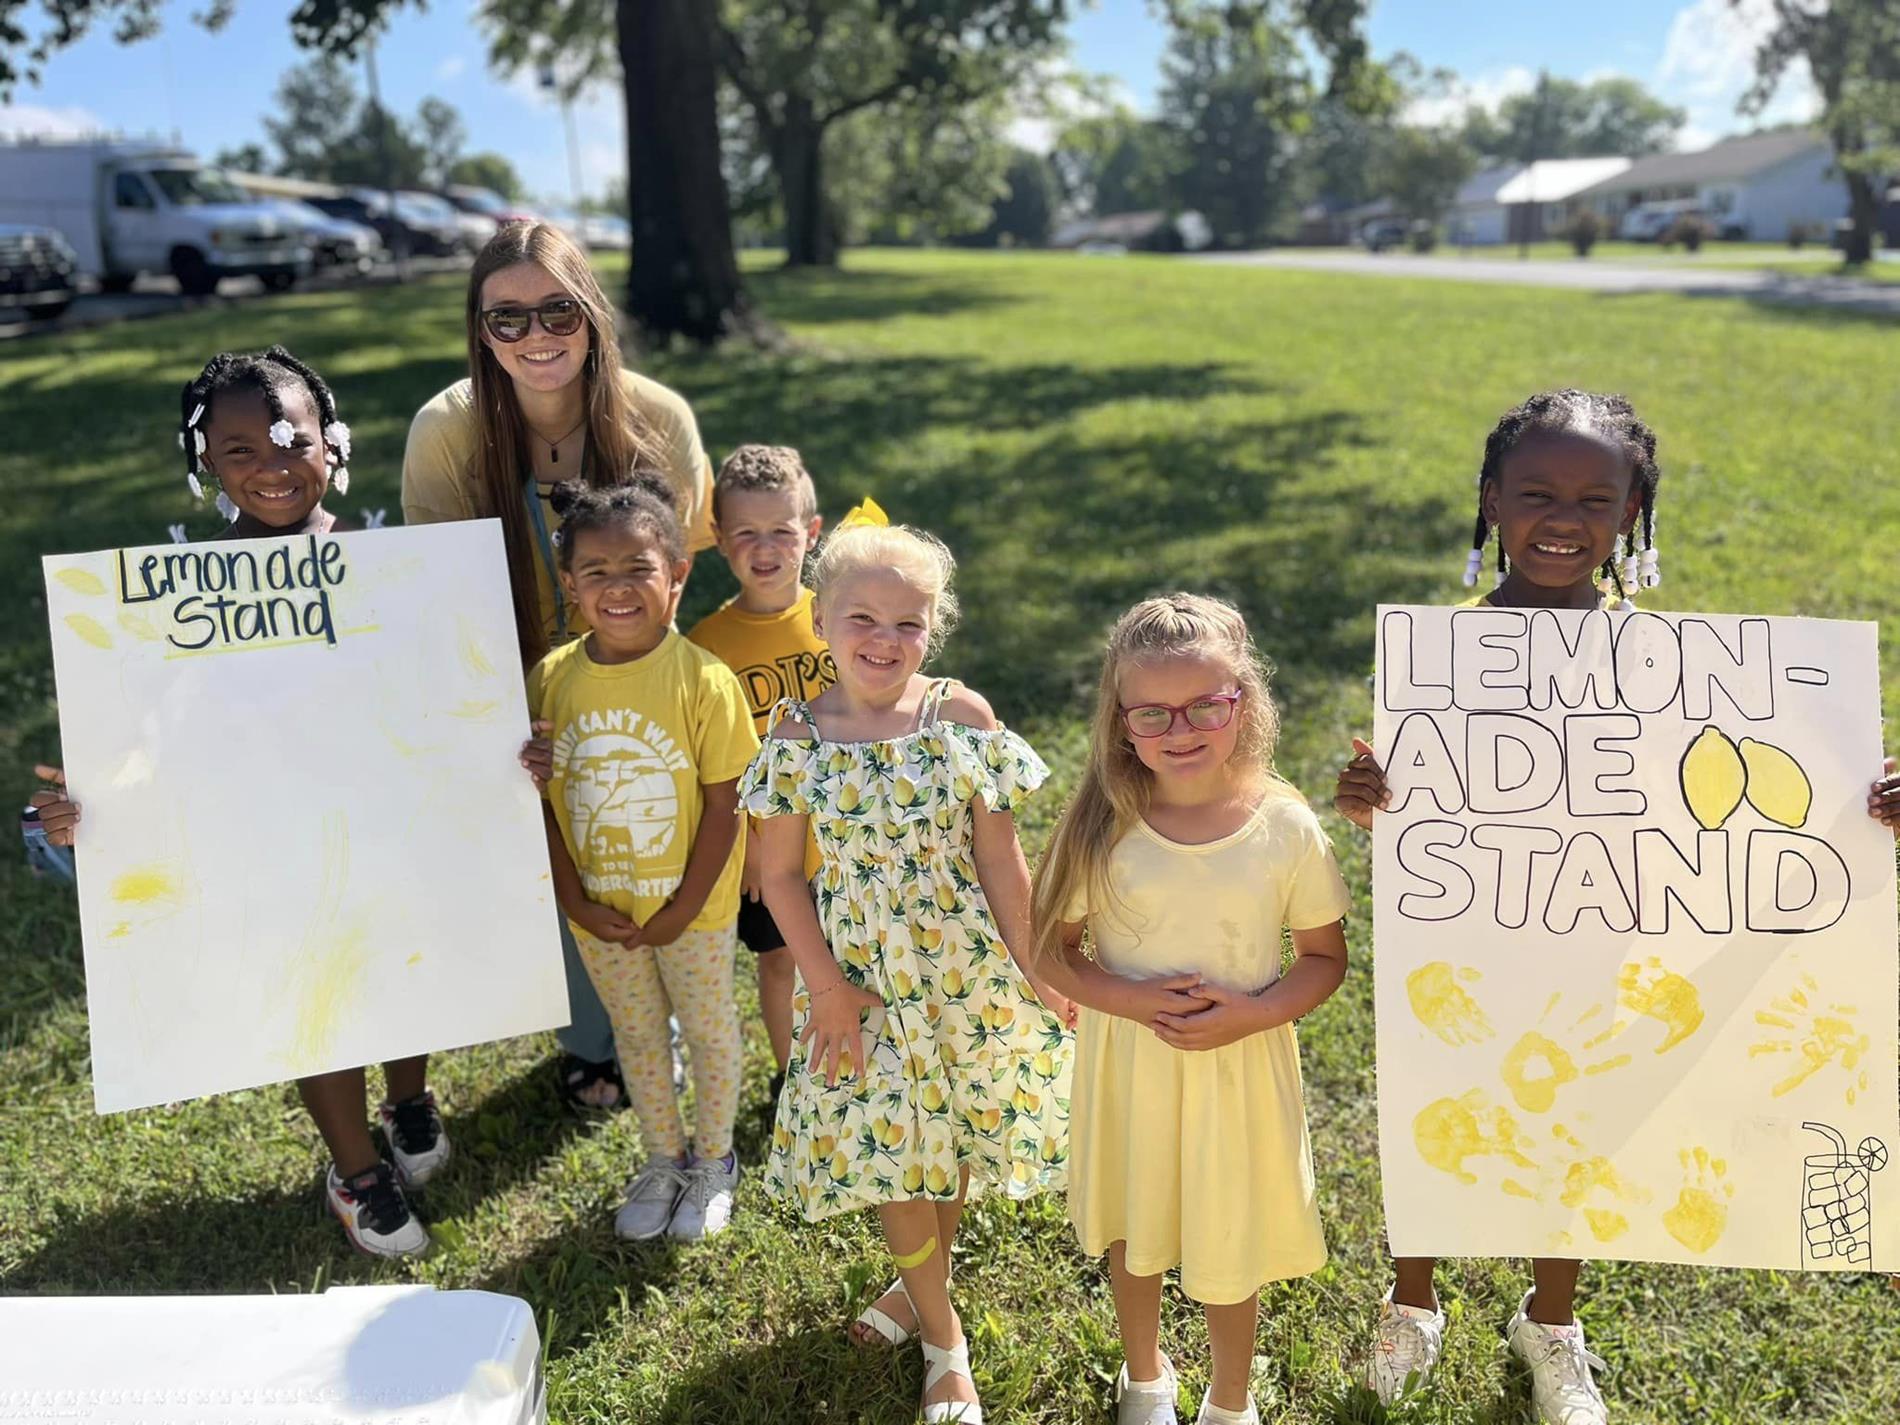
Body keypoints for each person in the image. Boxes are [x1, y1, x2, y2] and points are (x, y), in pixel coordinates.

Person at [1335, 389, 1900, 1423]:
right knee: (1439, 1110)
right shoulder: (1437, 654)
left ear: (1634, 512)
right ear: (1491, 502)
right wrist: (1368, 801)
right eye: (1536, 492)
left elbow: (1736, 801)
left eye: (1595, 499)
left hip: (1607, 948)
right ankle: (1411, 1301)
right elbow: (1418, 827)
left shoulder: (1675, 667)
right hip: (1466, 948)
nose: (1563, 518)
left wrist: (1864, 808)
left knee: (1580, 1129)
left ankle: (1551, 1325)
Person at [31, 347, 460, 1259]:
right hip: (269, 844)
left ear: (331, 443)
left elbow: (446, 696)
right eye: (238, 451)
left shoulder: (389, 565)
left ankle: (409, 1097)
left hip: (382, 822)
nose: (271, 466)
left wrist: (507, 743)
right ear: (205, 464)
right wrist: (88, 799)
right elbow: (145, 736)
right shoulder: (173, 598)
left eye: (289, 438)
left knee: (402, 964)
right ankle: (355, 1167)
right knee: (314, 986)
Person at [738, 520, 1075, 1425]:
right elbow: (777, 875)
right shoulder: (799, 730)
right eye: (862, 618)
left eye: (909, 625)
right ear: (820, 618)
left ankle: (914, 1292)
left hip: (960, 966)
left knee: (948, 1137)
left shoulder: (960, 718)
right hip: (861, 980)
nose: (884, 642)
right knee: (895, 1156)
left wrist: (1041, 967)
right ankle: (943, 1342)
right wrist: (828, 988)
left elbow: (1002, 861)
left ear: (936, 628)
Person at [402, 221, 716, 1111]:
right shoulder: (447, 431)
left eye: (557, 310)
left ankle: (663, 1025)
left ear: (592, 315)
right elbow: (441, 592)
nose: (536, 336)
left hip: (635, 662)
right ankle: (591, 1040)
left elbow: (674, 573)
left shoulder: (658, 418)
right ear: (480, 330)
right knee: (561, 864)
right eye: (507, 319)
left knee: (646, 835)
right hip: (514, 680)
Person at [1030, 594, 1350, 1425]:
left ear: (1243, 701)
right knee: (1138, 1234)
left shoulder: (1285, 826)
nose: (1182, 727)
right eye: (1153, 712)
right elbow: (1053, 951)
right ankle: (1146, 1380)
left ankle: (1229, 1400)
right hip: (1133, 1070)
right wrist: (1131, 1000)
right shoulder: (1103, 824)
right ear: (1121, 719)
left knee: (1226, 1237)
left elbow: (1323, 960)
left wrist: (1254, 1012)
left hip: (1237, 1071)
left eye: (1207, 703)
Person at [527, 474, 757, 1242]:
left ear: (678, 574)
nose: (617, 587)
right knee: (637, 1036)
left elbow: (727, 805)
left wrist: (684, 907)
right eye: (596, 572)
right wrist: (576, 900)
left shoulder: (704, 681)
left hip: (690, 910)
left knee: (707, 1028)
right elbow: (545, 805)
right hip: (602, 912)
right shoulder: (553, 681)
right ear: (569, 582)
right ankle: (664, 1157)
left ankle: (716, 1160)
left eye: (639, 569)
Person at [687, 446, 836, 1109]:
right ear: (720, 539)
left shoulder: (841, 618)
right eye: (746, 533)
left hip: (848, 841)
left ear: (813, 530)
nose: (765, 547)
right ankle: (793, 1079)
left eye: (782, 530)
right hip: (766, 853)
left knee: (855, 958)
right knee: (781, 963)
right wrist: (746, 846)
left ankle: (866, 1067)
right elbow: (712, 764)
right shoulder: (708, 644)